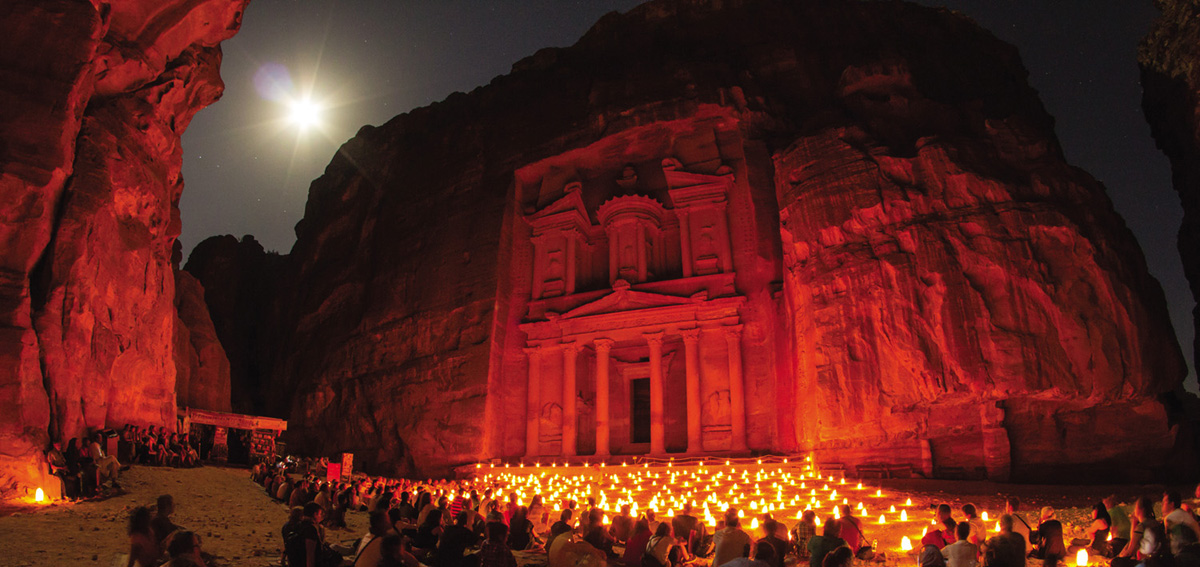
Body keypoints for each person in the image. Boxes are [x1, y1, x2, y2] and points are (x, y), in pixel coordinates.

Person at [285, 502, 342, 567]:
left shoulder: (298, 525)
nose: (321, 516)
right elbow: (310, 555)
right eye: (320, 514)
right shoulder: (310, 530)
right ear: (315, 514)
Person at [1114, 497, 1160, 567]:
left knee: (1116, 563)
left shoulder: (1142, 526)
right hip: (1157, 559)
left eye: (1135, 508)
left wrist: (1119, 557)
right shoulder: (1155, 523)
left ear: (1140, 509)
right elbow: (1133, 539)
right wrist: (1134, 522)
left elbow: (1130, 551)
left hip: (1147, 562)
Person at [1164, 490, 1200, 557]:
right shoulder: (1185, 515)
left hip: (1181, 555)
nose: (1162, 506)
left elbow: (1167, 540)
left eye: (1164, 502)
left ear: (1172, 504)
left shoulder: (1170, 518)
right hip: (1195, 552)